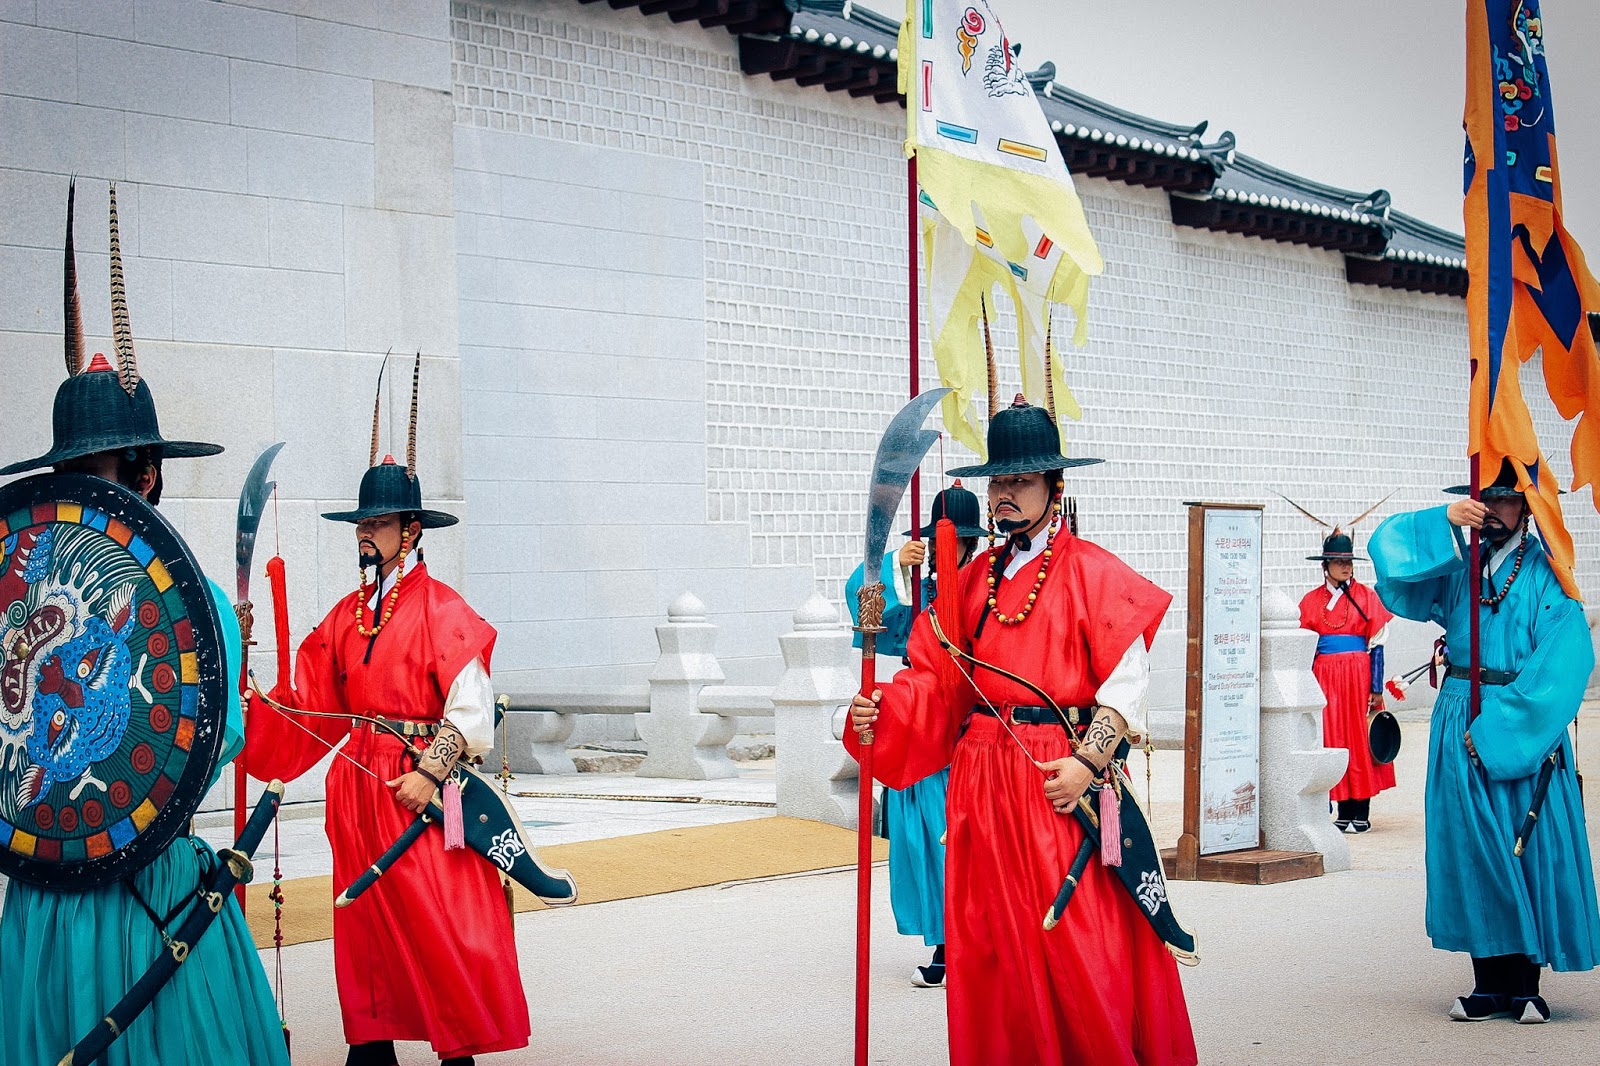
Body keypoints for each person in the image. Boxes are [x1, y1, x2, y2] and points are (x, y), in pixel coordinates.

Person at [0, 183, 288, 1066]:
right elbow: (220, 738)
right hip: (136, 894)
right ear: (149, 475)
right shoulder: (196, 602)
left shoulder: (29, 593)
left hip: (52, 899)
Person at [849, 397, 1196, 1065]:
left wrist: (1087, 764)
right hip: (980, 789)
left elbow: (1128, 681)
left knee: (1076, 947)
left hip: (1055, 782)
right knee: (994, 951)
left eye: (1021, 480)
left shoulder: (1093, 571)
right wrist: (880, 713)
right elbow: (934, 679)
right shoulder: (971, 580)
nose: (1004, 494)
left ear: (1054, 488)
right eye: (998, 481)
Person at [243, 355, 527, 1066]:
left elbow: (471, 710)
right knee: (365, 927)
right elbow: (310, 707)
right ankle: (370, 1051)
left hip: (420, 791)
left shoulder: (442, 610)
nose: (365, 533)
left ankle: (456, 1052)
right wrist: (245, 698)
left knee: (441, 920)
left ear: (412, 530)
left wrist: (429, 774)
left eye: (379, 522)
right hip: (358, 793)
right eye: (361, 522)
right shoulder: (346, 616)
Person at [1369, 459, 1600, 1023]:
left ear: (1527, 508)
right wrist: (1442, 520)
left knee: (1524, 845)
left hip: (1518, 722)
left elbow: (1567, 658)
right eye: (1484, 499)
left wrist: (1502, 731)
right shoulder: (1459, 564)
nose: (1493, 511)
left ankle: (1525, 983)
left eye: (1505, 499)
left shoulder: (1547, 573)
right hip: (1457, 711)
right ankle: (1487, 983)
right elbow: (1389, 561)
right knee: (1468, 848)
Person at [844, 483, 983, 988]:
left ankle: (965, 942)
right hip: (921, 724)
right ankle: (945, 941)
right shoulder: (920, 591)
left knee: (958, 843)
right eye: (935, 542)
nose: (944, 551)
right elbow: (868, 611)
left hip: (970, 727)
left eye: (954, 542)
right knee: (922, 841)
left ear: (969, 543)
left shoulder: (985, 588)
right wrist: (894, 567)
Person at [1298, 529, 1394, 832]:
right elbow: (1305, 648)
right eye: (1338, 561)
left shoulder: (1366, 597)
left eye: (1348, 561)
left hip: (1358, 676)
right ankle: (1341, 808)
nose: (1345, 567)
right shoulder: (1311, 601)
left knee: (1359, 738)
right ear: (1325, 565)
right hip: (1325, 676)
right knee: (1332, 737)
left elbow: (1377, 644)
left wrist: (1376, 687)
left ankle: (1360, 809)